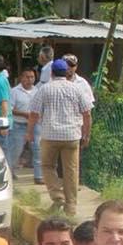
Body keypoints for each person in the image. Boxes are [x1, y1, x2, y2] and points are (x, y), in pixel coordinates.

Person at [27, 58, 93, 216]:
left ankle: (57, 197)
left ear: (51, 73)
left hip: (50, 135)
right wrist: (86, 134)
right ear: (67, 72)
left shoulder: (45, 89)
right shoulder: (76, 89)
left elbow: (34, 114)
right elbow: (87, 113)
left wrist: (29, 132)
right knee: (71, 171)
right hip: (71, 136)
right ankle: (71, 207)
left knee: (48, 167)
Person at [9, 67, 42, 183]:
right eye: (27, 77)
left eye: (32, 77)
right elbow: (10, 109)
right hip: (19, 125)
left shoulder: (38, 91)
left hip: (35, 125)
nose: (29, 79)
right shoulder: (14, 91)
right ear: (21, 78)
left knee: (38, 148)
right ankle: (10, 172)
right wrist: (24, 114)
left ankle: (39, 176)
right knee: (16, 150)